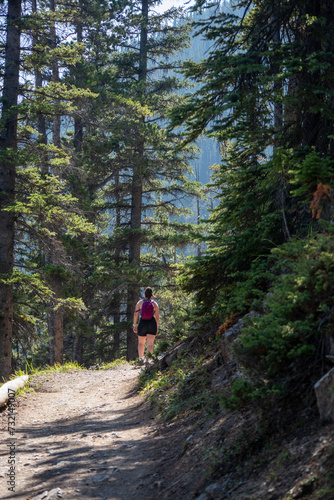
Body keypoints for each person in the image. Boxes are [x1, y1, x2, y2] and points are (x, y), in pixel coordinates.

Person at [133, 287, 159, 364]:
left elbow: (136, 314)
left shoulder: (139, 303)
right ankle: (148, 359)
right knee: (150, 344)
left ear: (144, 294)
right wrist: (156, 327)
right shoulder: (155, 304)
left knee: (141, 343)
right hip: (152, 323)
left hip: (142, 323)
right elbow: (157, 317)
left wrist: (134, 325)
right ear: (151, 295)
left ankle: (141, 359)